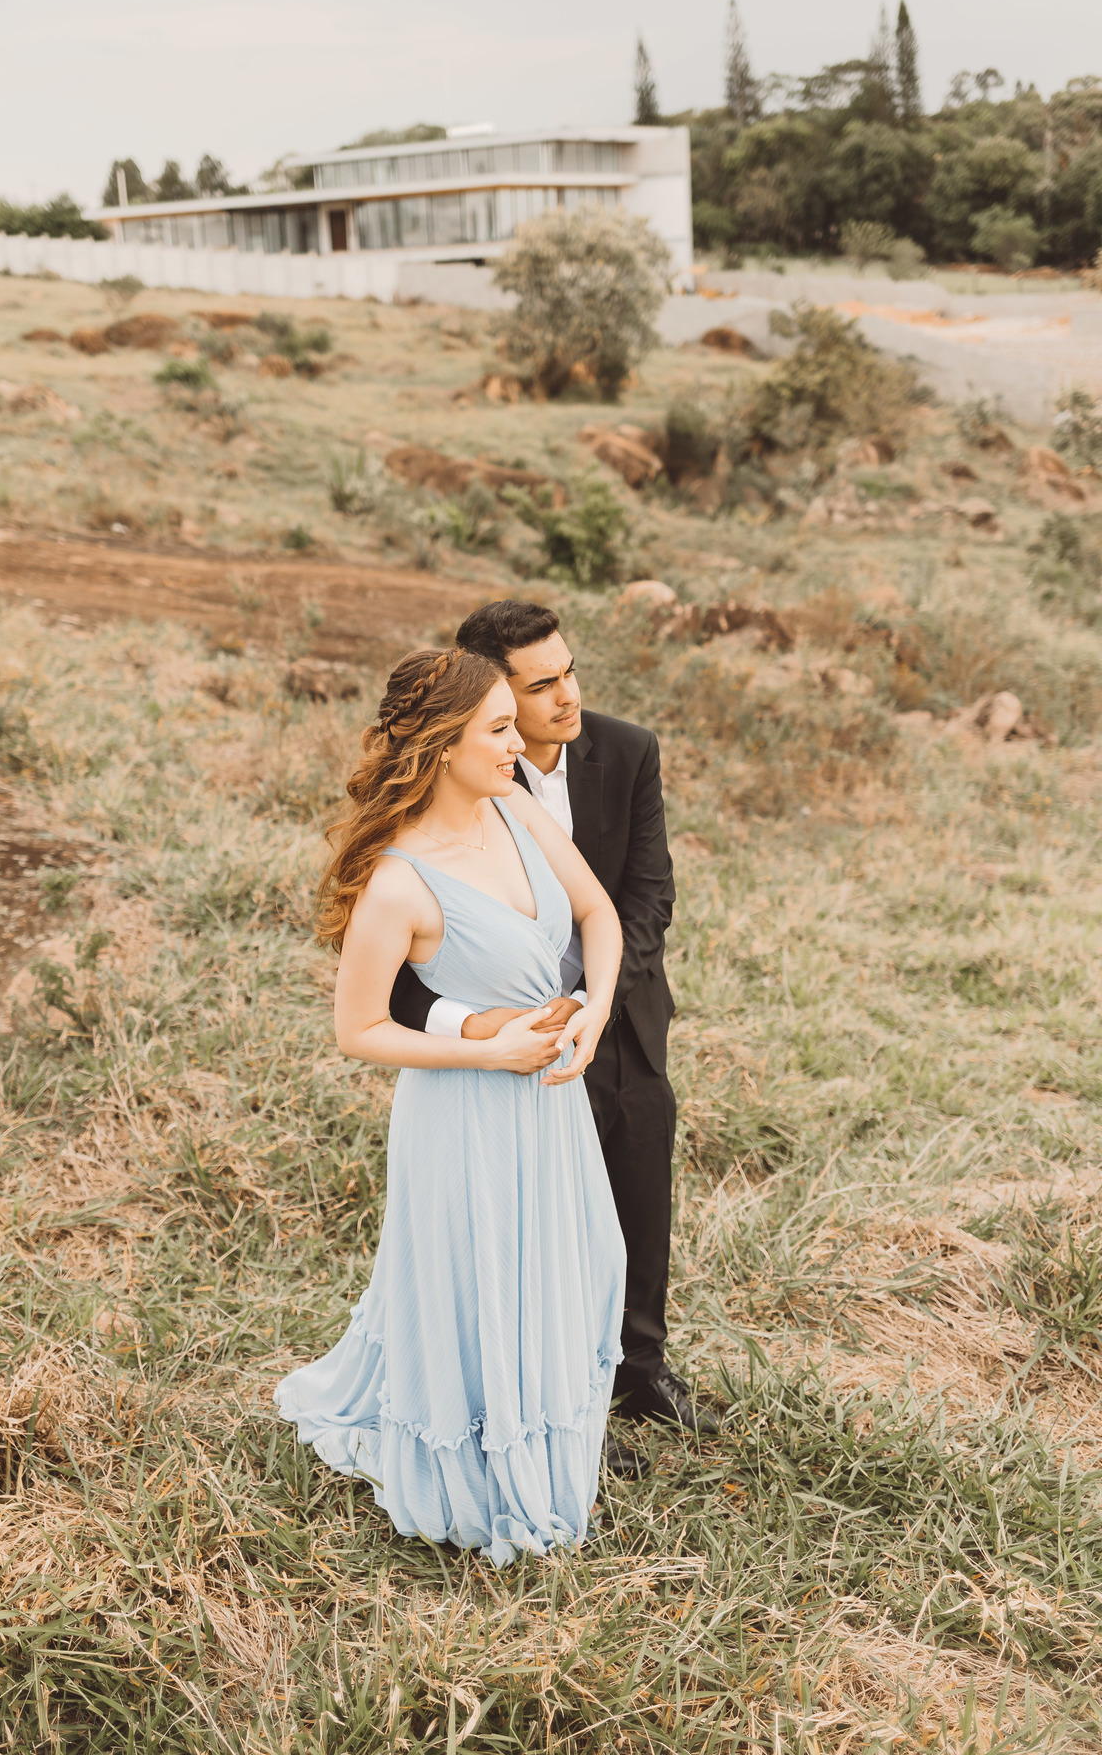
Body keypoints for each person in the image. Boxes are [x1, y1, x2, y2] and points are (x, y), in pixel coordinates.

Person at [275, 645, 628, 1564]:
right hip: (462, 1117)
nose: (523, 743)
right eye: (501, 729)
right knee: (482, 1281)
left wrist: (589, 1016)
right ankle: (477, 1459)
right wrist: (486, 1045)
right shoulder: (399, 881)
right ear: (440, 746)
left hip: (551, 1103)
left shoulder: (514, 809)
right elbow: (358, 1030)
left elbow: (599, 916)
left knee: (566, 1262)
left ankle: (545, 1426)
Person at [391, 602, 717, 1463]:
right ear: (487, 696)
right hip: (503, 1041)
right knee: (542, 1223)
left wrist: (593, 999)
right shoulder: (461, 792)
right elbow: (397, 983)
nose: (568, 696)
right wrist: (489, 1025)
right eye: (541, 686)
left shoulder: (628, 749)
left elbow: (647, 896)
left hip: (623, 1015)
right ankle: (560, 1396)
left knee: (639, 1195)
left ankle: (639, 1371)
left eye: (569, 671)